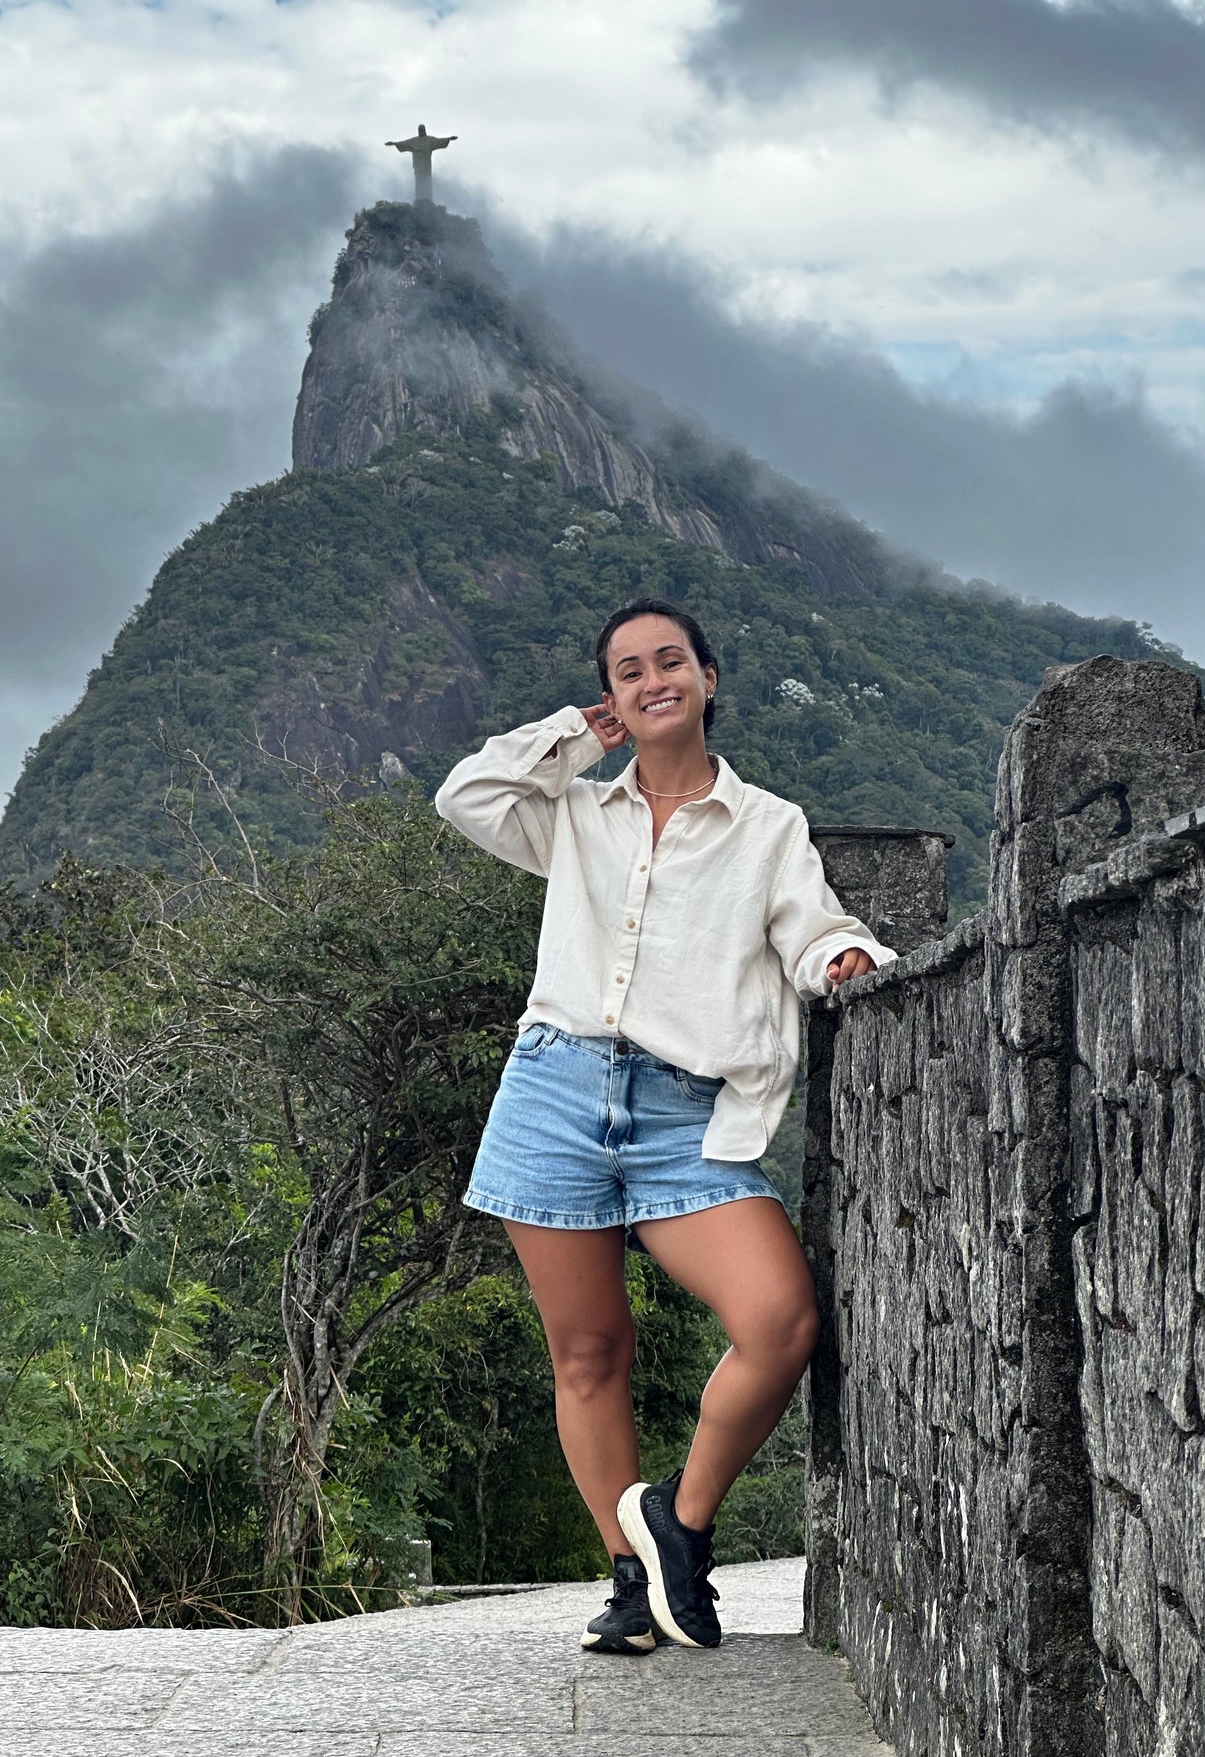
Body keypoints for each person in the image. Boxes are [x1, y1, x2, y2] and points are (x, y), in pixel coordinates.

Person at [433, 595, 896, 1655]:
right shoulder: (572, 814)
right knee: (588, 1350)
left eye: (669, 661)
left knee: (777, 1319)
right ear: (612, 693)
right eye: (628, 670)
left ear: (707, 677)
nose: (652, 681)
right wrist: (574, 734)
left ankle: (679, 1529)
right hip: (553, 1091)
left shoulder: (767, 825)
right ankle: (630, 1585)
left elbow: (813, 926)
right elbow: (467, 795)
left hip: (687, 1112)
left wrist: (845, 960)